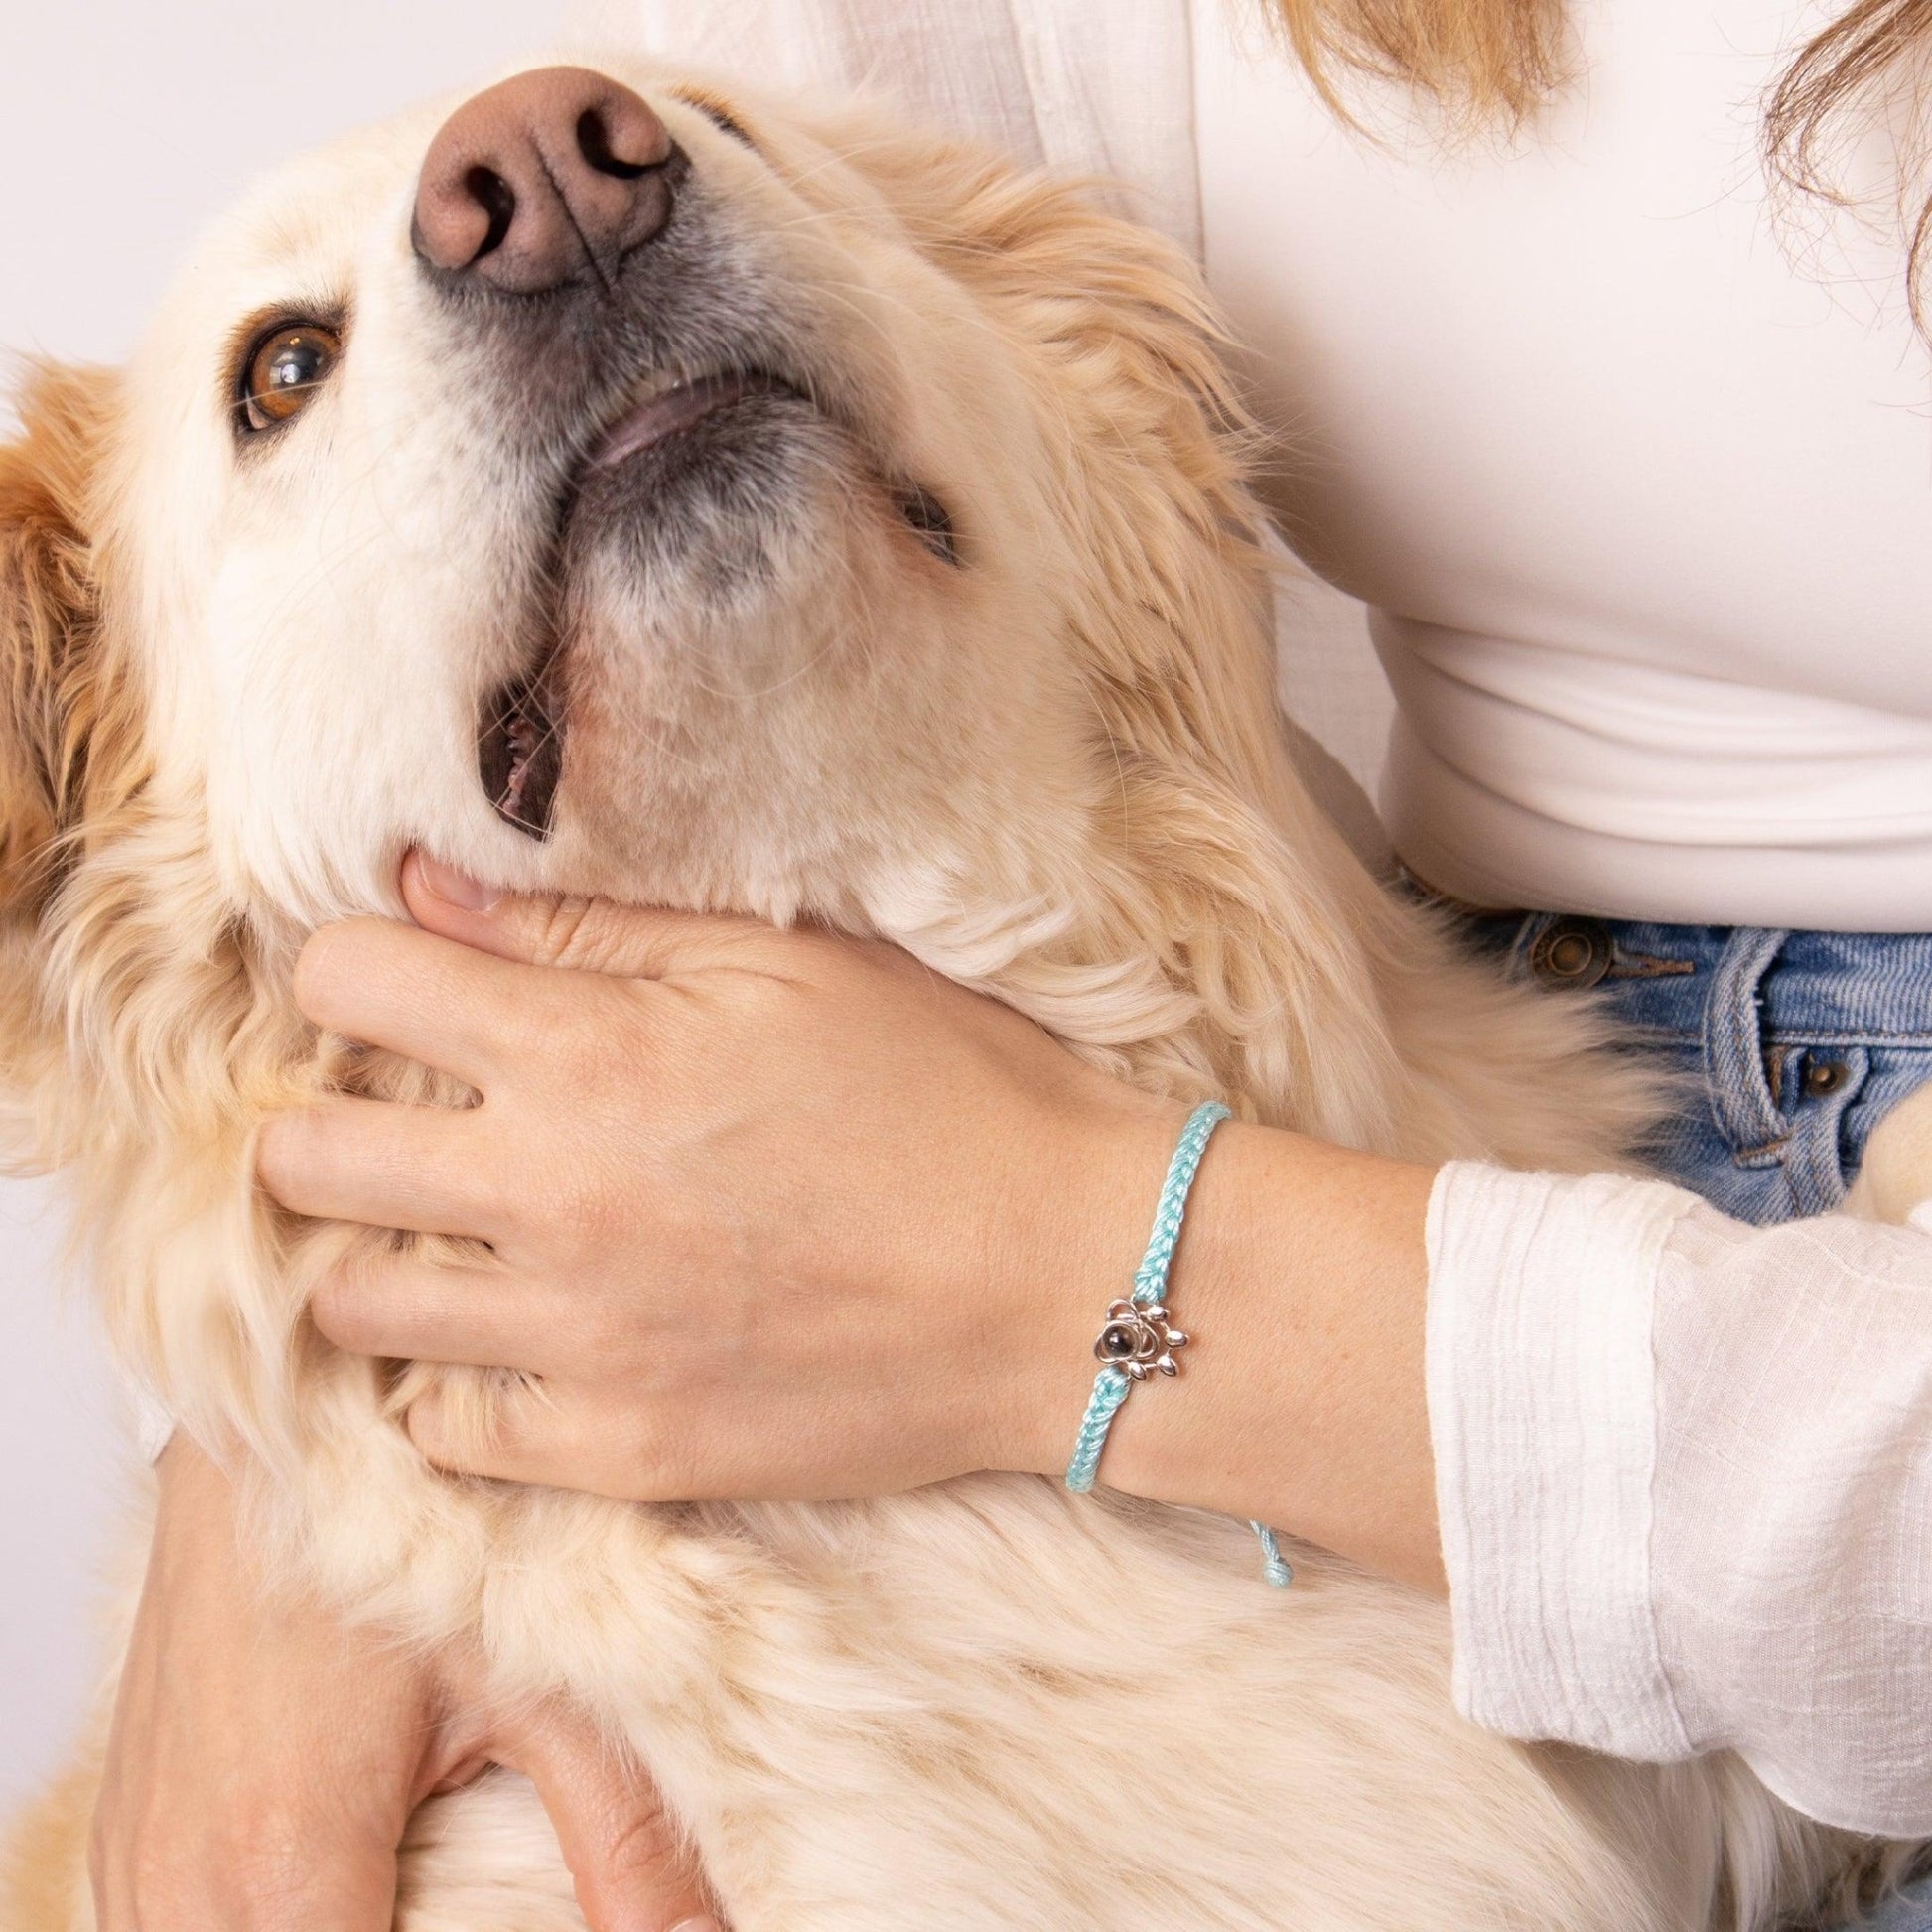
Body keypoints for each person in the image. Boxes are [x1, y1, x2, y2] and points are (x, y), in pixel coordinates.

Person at [90, 3, 1932, 1930]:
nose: (546, 193)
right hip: (1494, 1165)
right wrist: (289, 1472)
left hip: (1541, 1357)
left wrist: (1077, 1261)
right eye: (284, 372)